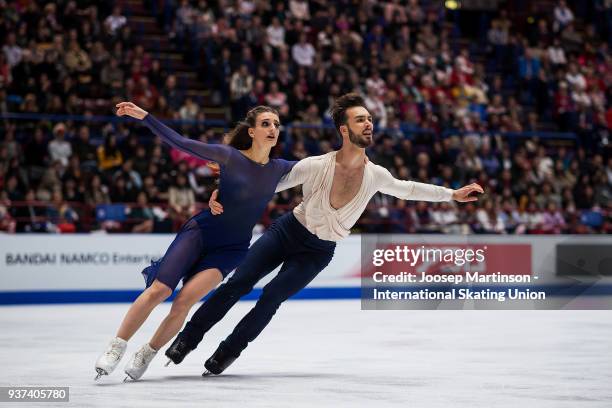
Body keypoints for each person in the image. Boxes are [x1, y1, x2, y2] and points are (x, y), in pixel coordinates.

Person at [166, 93, 484, 374]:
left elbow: (408, 189)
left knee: (271, 297)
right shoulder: (315, 165)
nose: (369, 123)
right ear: (344, 130)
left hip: (318, 251)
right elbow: (264, 186)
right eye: (361, 119)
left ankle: (227, 352)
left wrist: (451, 194)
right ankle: (187, 340)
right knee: (238, 282)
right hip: (287, 231)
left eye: (370, 119)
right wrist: (222, 194)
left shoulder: (377, 175)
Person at [95, 102, 299, 381]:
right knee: (160, 290)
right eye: (266, 124)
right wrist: (146, 116)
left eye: (276, 124)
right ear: (251, 131)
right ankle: (116, 346)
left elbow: (324, 166)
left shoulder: (280, 168)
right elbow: (180, 142)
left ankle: (148, 352)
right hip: (202, 233)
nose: (273, 129)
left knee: (184, 303)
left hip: (231, 249)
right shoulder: (228, 156)